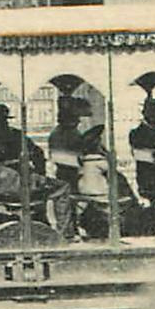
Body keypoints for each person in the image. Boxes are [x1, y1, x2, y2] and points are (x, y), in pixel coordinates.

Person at [49, 96, 89, 239]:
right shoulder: (58, 134)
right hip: (66, 172)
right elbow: (57, 157)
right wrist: (79, 159)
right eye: (74, 119)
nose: (77, 121)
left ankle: (76, 228)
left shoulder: (73, 132)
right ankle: (66, 231)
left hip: (75, 171)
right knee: (66, 199)